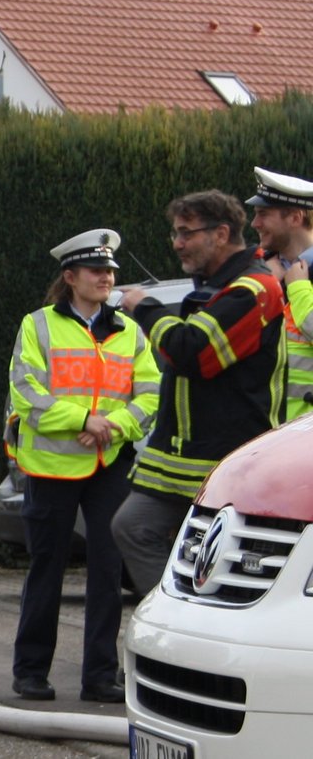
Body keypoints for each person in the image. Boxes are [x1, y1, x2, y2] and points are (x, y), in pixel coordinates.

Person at [5, 229, 160, 704]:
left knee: (108, 571)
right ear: (70, 277)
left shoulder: (130, 330)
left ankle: (100, 676)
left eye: (109, 271)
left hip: (108, 461)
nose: (106, 278)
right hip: (52, 466)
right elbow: (26, 393)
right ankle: (31, 672)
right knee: (46, 569)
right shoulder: (38, 325)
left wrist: (112, 426)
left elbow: (151, 393)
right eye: (96, 271)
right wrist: (83, 420)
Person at [112, 190, 285, 594]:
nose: (177, 243)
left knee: (223, 570)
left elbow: (193, 353)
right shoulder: (217, 286)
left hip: (229, 461)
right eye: (176, 233)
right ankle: (172, 614)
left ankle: (186, 618)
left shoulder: (253, 289)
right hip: (185, 461)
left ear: (220, 234)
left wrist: (146, 308)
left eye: (186, 233)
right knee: (132, 527)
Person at [248, 167, 313, 420]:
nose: (254, 223)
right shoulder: (255, 270)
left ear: (295, 218)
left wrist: (297, 288)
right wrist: (263, 285)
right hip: (264, 430)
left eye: (263, 214)